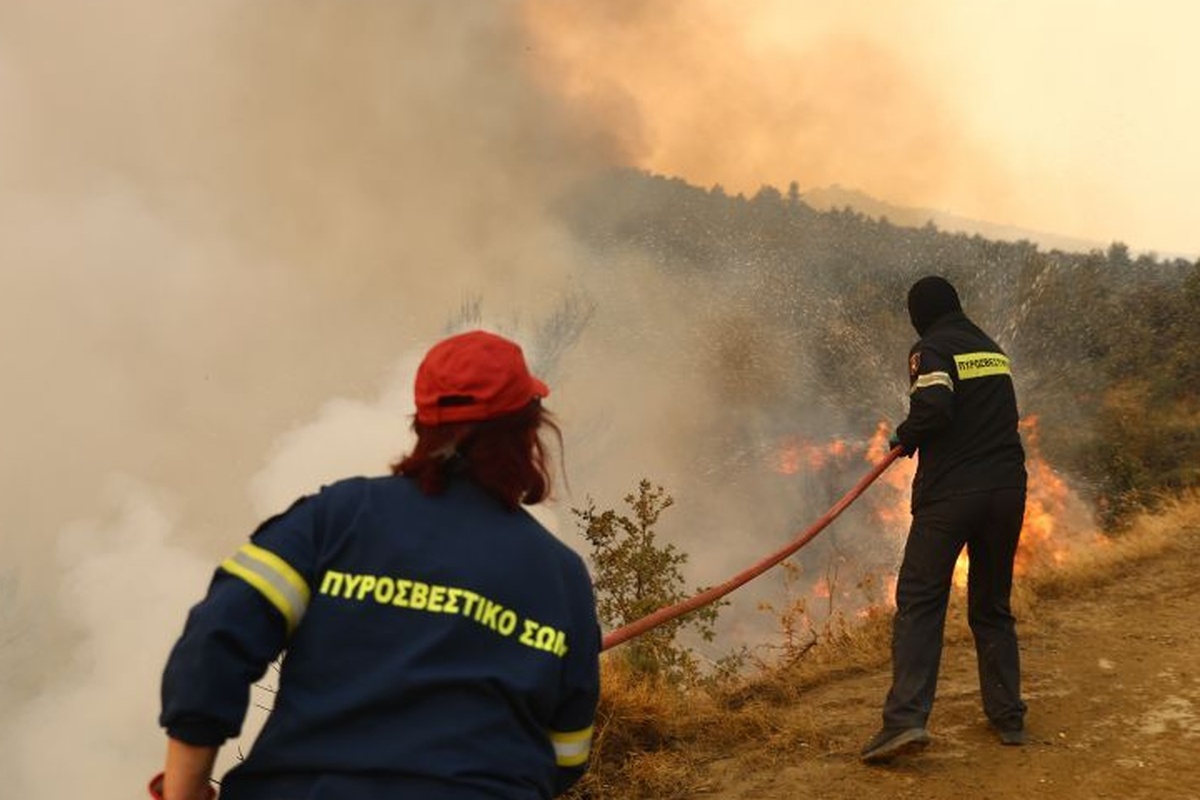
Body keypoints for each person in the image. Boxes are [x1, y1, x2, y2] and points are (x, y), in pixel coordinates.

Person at [154, 329, 602, 799]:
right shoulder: (562, 578)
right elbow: (566, 754)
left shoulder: (336, 520)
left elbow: (215, 641)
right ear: (528, 431)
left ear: (422, 423)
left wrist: (184, 792)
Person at [861, 276, 1028, 764]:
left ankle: (905, 722)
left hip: (952, 495)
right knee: (992, 605)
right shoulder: (990, 348)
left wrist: (905, 435)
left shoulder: (930, 348)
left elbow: (934, 406)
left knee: (920, 600)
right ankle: (1008, 717)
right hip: (1007, 492)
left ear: (921, 315)